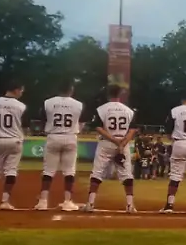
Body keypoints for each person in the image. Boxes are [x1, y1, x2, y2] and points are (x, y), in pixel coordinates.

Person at [83, 84, 137, 213]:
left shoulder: (101, 109)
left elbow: (98, 128)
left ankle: (90, 203)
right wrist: (122, 144)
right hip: (123, 144)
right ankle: (130, 205)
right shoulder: (129, 110)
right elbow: (132, 130)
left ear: (108, 94)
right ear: (120, 94)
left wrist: (113, 140)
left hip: (106, 143)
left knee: (97, 172)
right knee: (126, 174)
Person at [36, 81, 83, 211]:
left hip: (53, 136)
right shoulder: (78, 104)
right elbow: (82, 122)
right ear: (71, 90)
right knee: (69, 171)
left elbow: (41, 120)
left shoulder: (48, 102)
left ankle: (43, 201)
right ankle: (67, 201)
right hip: (70, 137)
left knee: (48, 171)